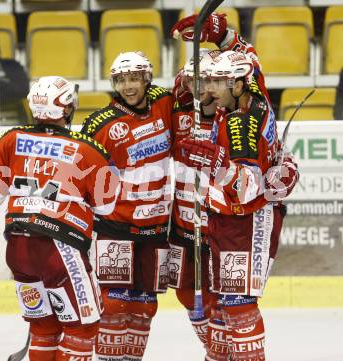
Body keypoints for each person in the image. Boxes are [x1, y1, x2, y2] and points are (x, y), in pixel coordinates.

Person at [0, 76, 121, 361]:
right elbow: (106, 206)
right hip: (60, 249)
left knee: (43, 326)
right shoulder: (89, 149)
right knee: (83, 328)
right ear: (68, 108)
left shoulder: (12, 139)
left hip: (19, 250)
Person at [171, 13, 299, 361]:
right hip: (230, 220)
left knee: (238, 304)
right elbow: (249, 60)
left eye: (216, 83)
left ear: (236, 85)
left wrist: (217, 166)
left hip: (246, 219)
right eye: (204, 82)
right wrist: (222, 34)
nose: (208, 89)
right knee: (229, 304)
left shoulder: (240, 123)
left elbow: (247, 188)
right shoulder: (249, 94)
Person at [81, 51, 189, 361]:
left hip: (156, 225)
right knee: (114, 303)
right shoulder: (101, 123)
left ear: (147, 80)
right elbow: (79, 169)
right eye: (122, 80)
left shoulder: (163, 102)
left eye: (135, 79)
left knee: (145, 305)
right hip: (115, 224)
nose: (129, 86)